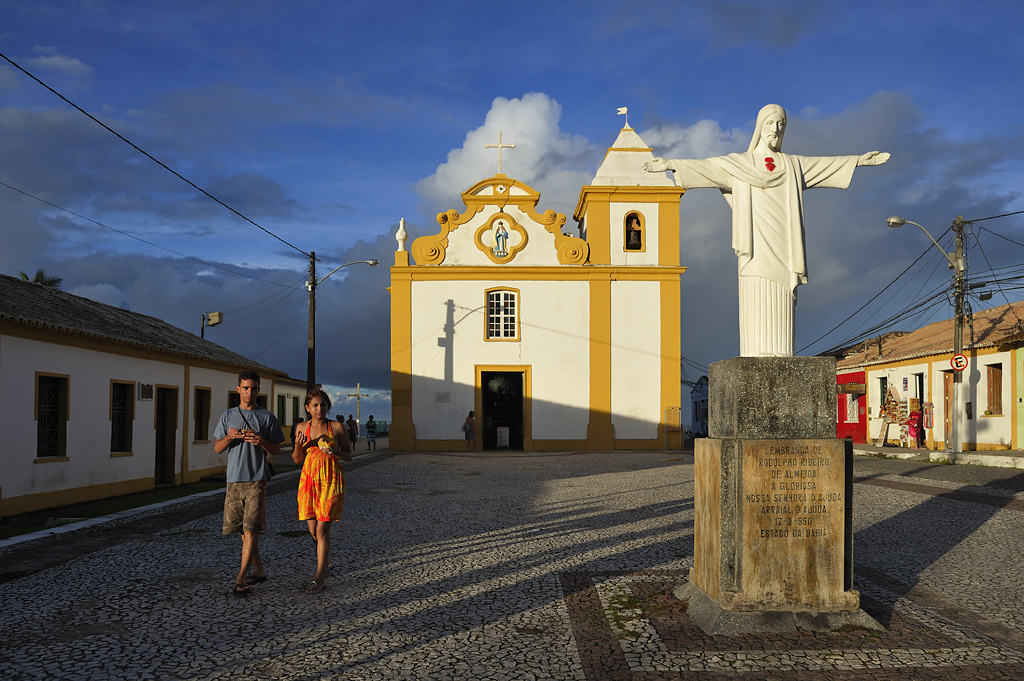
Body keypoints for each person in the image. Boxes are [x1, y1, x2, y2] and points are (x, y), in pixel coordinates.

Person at [644, 104, 889, 357]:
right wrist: (672, 163)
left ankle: (782, 354)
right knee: (757, 293)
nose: (776, 128)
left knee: (783, 298)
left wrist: (858, 161)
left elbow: (822, 166)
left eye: (781, 124)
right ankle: (756, 353)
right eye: (771, 123)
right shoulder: (740, 164)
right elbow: (706, 167)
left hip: (784, 242)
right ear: (760, 126)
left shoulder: (792, 165)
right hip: (755, 244)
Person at [213, 370, 284, 596]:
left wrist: (260, 440)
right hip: (233, 479)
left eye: (253, 388)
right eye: (245, 388)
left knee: (251, 528)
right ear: (238, 390)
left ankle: (241, 577)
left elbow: (276, 449)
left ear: (258, 390)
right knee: (242, 532)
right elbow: (217, 448)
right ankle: (259, 570)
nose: (249, 392)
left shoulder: (267, 417)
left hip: (256, 479)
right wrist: (230, 437)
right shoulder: (227, 416)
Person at [292, 389, 352, 594]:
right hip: (308, 482)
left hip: (330, 481)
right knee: (312, 530)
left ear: (328, 406)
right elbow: (297, 459)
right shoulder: (301, 427)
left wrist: (335, 452)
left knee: (321, 530)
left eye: (323, 405)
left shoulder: (336, 427)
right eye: (315, 405)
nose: (319, 409)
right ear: (307, 408)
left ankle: (320, 577)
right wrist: (299, 446)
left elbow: (349, 455)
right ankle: (326, 559)